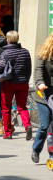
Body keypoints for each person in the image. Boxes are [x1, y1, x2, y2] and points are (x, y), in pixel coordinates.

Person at [0, 30, 32, 140]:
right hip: (23, 83)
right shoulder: (25, 52)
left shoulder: (5, 53)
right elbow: (29, 68)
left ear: (8, 40)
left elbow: (0, 67)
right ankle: (27, 125)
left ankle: (8, 133)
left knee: (6, 108)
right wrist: (26, 80)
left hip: (8, 83)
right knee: (22, 107)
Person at [32, 33, 53, 163]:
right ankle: (36, 149)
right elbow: (38, 70)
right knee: (45, 125)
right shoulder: (43, 53)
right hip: (43, 95)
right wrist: (40, 83)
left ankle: (51, 153)